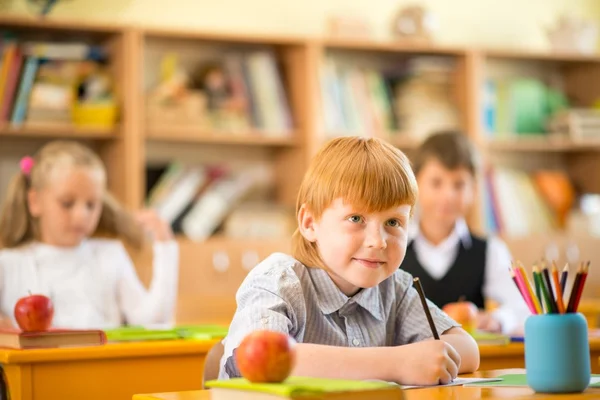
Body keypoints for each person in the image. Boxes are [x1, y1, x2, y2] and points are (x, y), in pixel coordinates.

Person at [219, 136, 479, 385]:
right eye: (356, 219)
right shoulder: (278, 282)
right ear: (310, 223)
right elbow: (259, 360)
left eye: (393, 222)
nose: (378, 241)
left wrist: (416, 359)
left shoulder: (396, 289)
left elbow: (468, 349)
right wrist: (397, 363)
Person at [0, 141, 179, 330]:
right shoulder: (8, 265)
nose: (81, 216)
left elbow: (154, 323)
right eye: (67, 203)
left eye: (91, 205)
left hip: (107, 360)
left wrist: (165, 247)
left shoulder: (111, 256)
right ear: (35, 201)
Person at [401, 131, 527, 334]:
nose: (448, 196)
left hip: (471, 363)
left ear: (474, 190)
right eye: (436, 183)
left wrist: (496, 320)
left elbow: (523, 307)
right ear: (415, 184)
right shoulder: (393, 245)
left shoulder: (490, 250)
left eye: (459, 185)